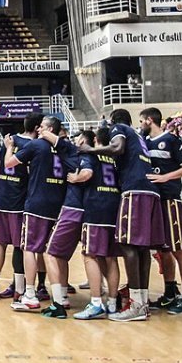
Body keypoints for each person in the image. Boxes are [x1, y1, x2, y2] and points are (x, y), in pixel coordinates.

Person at [78, 108, 165, 322]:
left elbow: (117, 147)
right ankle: (141, 301)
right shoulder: (139, 136)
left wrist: (89, 150)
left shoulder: (120, 128)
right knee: (142, 248)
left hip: (134, 189)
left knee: (128, 245)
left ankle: (136, 304)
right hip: (151, 190)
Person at [5, 117, 77, 312]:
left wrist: (9, 147)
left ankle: (29, 294)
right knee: (55, 253)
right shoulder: (65, 148)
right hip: (58, 205)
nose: (39, 128)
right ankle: (61, 295)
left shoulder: (36, 145)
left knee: (29, 248)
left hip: (37, 203)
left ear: (50, 129)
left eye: (43, 126)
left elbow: (9, 164)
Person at [141, 107, 182, 314]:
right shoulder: (145, 143)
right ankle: (169, 293)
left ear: (149, 120)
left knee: (178, 249)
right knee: (163, 250)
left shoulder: (171, 140)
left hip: (170, 199)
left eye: (142, 121)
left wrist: (166, 177)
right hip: (155, 201)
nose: (140, 126)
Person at [41, 131, 95, 319]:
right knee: (63, 255)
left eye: (77, 139)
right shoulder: (98, 157)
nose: (73, 141)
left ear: (82, 141)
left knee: (49, 254)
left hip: (73, 209)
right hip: (90, 211)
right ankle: (65, 296)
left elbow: (86, 173)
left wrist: (42, 130)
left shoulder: (80, 155)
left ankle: (57, 304)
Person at [0, 113, 43, 302]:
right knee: (21, 246)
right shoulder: (33, 146)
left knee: (0, 243)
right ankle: (19, 289)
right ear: (37, 128)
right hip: (19, 202)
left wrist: (5, 186)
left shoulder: (8, 142)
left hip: (3, 199)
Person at [74, 128, 122, 320]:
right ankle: (112, 303)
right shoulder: (115, 159)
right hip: (114, 207)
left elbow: (86, 173)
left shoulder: (90, 154)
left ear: (95, 140)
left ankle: (95, 303)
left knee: (90, 255)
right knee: (110, 258)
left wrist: (75, 178)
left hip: (96, 208)